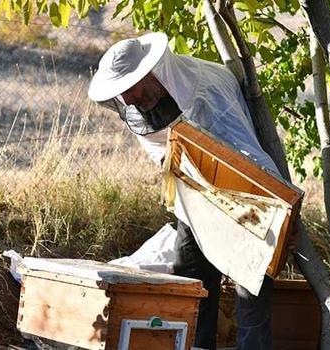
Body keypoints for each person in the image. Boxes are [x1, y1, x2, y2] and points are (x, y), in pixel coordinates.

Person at [88, 32, 278, 350]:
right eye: (122, 93)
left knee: (251, 279)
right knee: (189, 268)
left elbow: (247, 156)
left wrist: (276, 210)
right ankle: (196, 345)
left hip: (246, 192)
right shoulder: (135, 103)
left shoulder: (206, 91)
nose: (129, 99)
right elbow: (160, 149)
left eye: (131, 88)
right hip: (195, 191)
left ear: (152, 73)